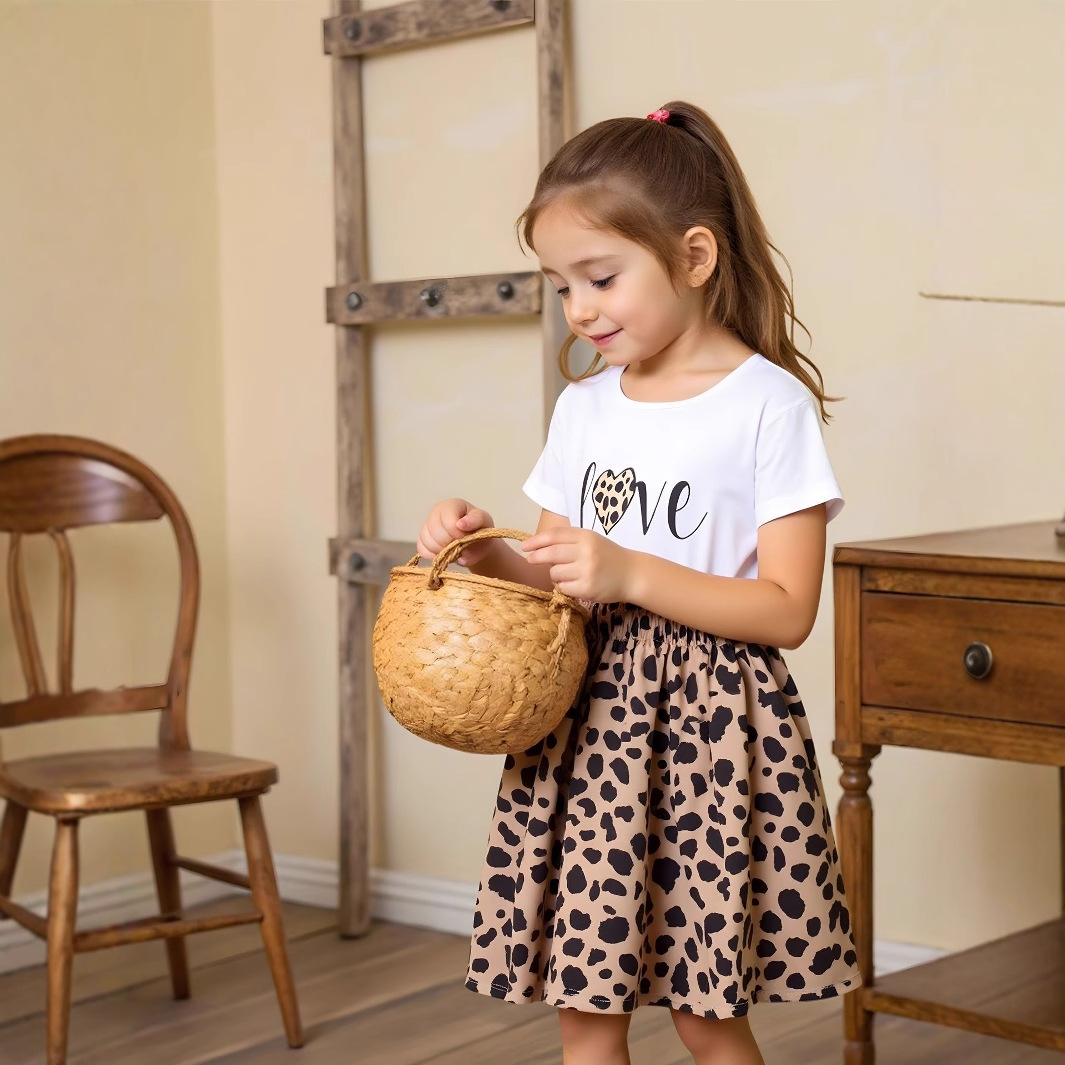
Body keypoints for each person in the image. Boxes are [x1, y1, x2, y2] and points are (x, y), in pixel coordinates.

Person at [416, 101, 860, 1065]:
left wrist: (632, 572)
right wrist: (480, 549)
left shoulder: (767, 406)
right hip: (584, 728)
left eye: (601, 277)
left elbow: (788, 611)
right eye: (560, 285)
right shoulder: (584, 407)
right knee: (584, 1007)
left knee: (706, 1012)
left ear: (693, 257)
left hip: (712, 736)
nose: (578, 309)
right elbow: (552, 580)